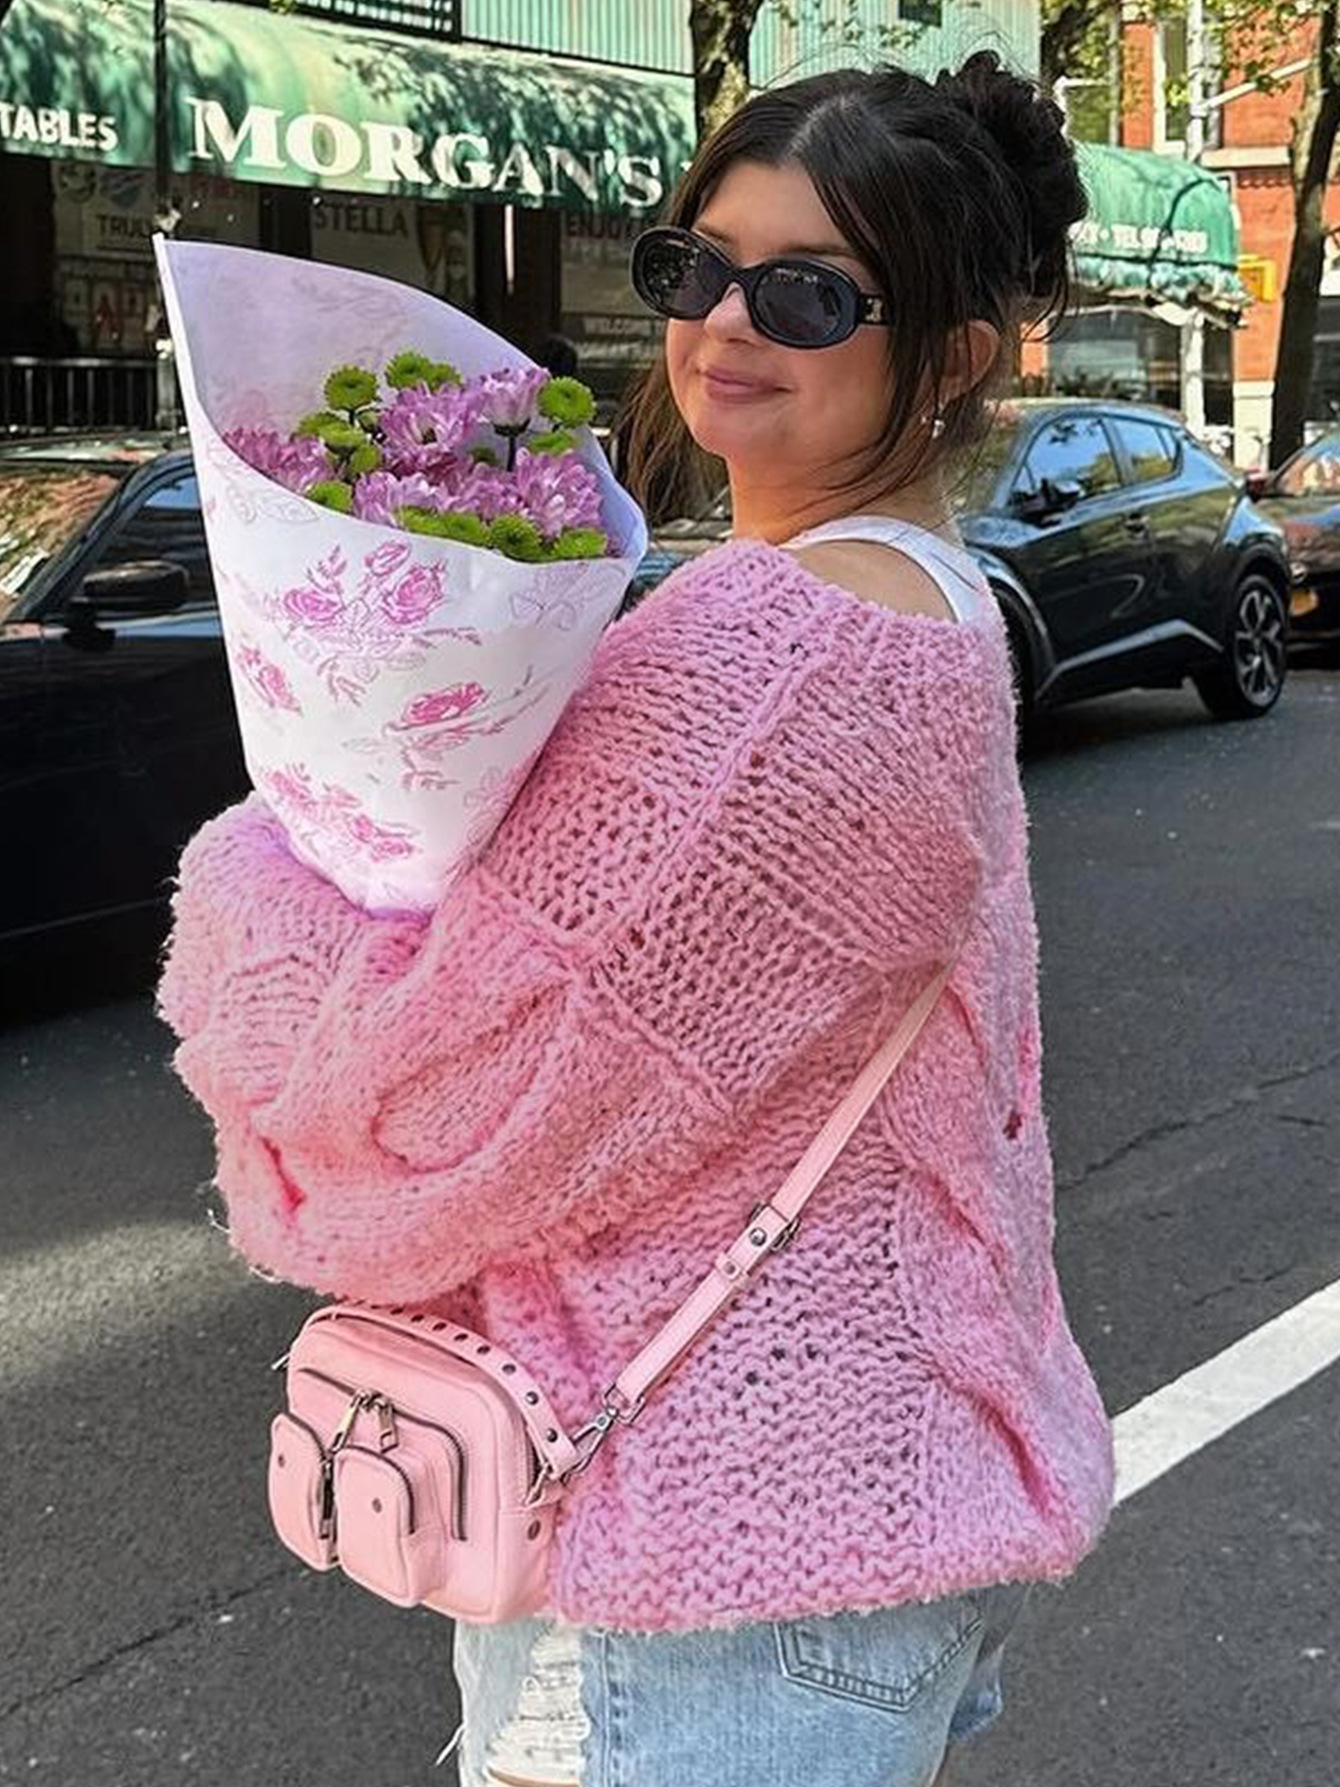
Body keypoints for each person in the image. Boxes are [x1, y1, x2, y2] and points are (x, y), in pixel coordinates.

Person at [157, 51, 1114, 1787]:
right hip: (847, 1521)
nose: (726, 323)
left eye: (810, 293)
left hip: (699, 1567)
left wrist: (264, 856)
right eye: (697, 267)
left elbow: (442, 1092)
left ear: (957, 356)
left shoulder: (787, 649)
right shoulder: (922, 603)